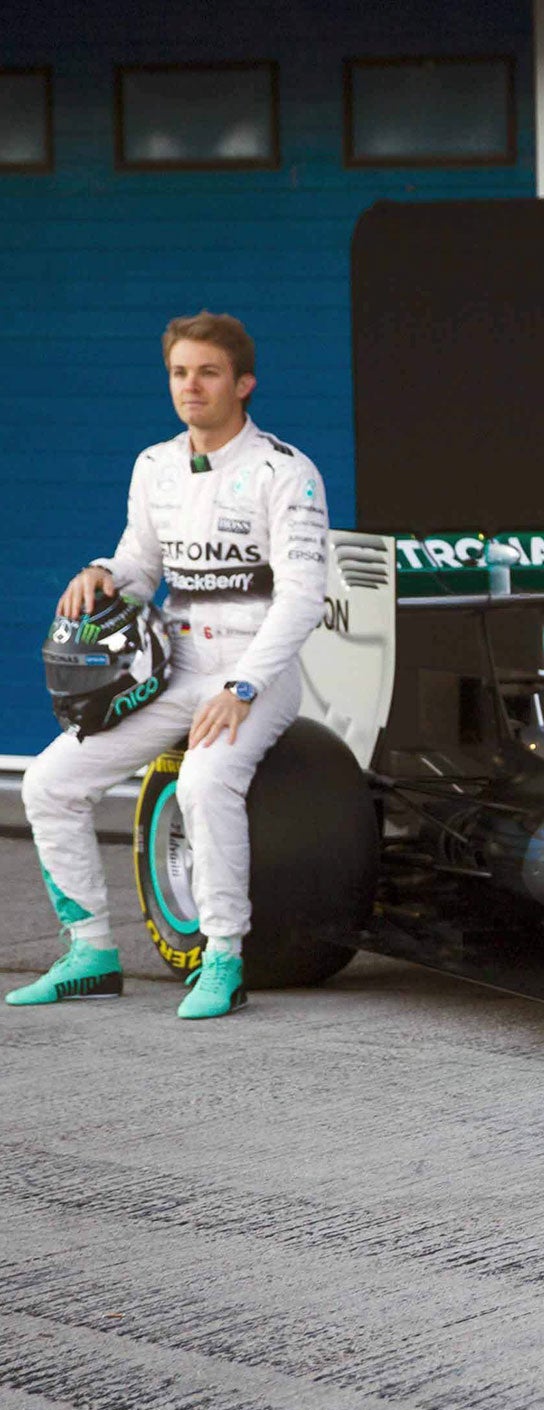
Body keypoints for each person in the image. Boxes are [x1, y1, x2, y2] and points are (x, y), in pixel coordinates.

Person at [8, 311, 329, 1019]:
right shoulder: (154, 465)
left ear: (243, 383)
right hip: (172, 668)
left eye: (208, 373)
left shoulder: (286, 471)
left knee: (206, 779)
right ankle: (89, 952)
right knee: (50, 782)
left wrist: (243, 686)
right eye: (180, 373)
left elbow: (305, 598)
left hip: (254, 672)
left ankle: (222, 958)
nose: (192, 386)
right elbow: (141, 563)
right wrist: (101, 573)